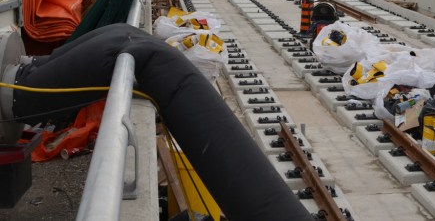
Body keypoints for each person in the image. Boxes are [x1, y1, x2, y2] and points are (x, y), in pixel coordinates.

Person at [9, 24, 312, 221]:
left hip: (16, 96)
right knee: (132, 42)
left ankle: (24, 83)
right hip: (18, 93)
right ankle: (27, 80)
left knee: (135, 45)